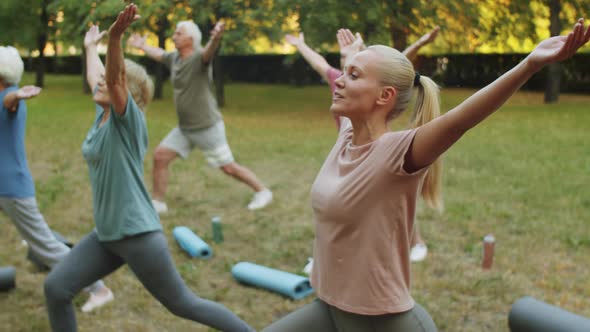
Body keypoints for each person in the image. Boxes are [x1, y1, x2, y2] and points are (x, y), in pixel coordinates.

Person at [264, 19, 590, 331]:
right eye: (344, 73)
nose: (338, 80)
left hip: (381, 321)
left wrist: (530, 64)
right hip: (331, 306)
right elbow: (342, 73)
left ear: (384, 96)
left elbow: (463, 118)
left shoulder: (397, 153)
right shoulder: (347, 135)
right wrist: (352, 58)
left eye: (352, 75)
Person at [43, 5, 255, 332]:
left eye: (109, 81)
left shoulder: (127, 121)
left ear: (129, 93)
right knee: (56, 288)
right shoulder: (102, 116)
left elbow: (112, 78)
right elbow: (100, 76)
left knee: (183, 304)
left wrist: (115, 38)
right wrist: (89, 48)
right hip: (108, 234)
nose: (99, 82)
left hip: (137, 234)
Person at [286, 27, 441, 263]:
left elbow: (401, 65)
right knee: (337, 205)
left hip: (370, 151)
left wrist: (421, 41)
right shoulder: (336, 79)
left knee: (393, 204)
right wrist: (300, 45)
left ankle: (416, 241)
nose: (342, 77)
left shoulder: (369, 88)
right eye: (344, 62)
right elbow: (317, 61)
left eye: (353, 70)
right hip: (348, 152)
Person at [0, 45, 113, 313]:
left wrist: (18, 94)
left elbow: (10, 101)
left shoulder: (7, 97)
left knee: (45, 246)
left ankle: (98, 288)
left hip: (11, 187)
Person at [128, 19, 272, 214]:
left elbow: (208, 52)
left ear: (190, 39)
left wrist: (216, 39)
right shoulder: (175, 58)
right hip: (185, 128)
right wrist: (143, 46)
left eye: (178, 34)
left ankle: (263, 191)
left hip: (207, 127)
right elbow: (160, 54)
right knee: (160, 157)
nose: (173, 36)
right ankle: (158, 203)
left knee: (228, 167)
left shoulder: (199, 59)